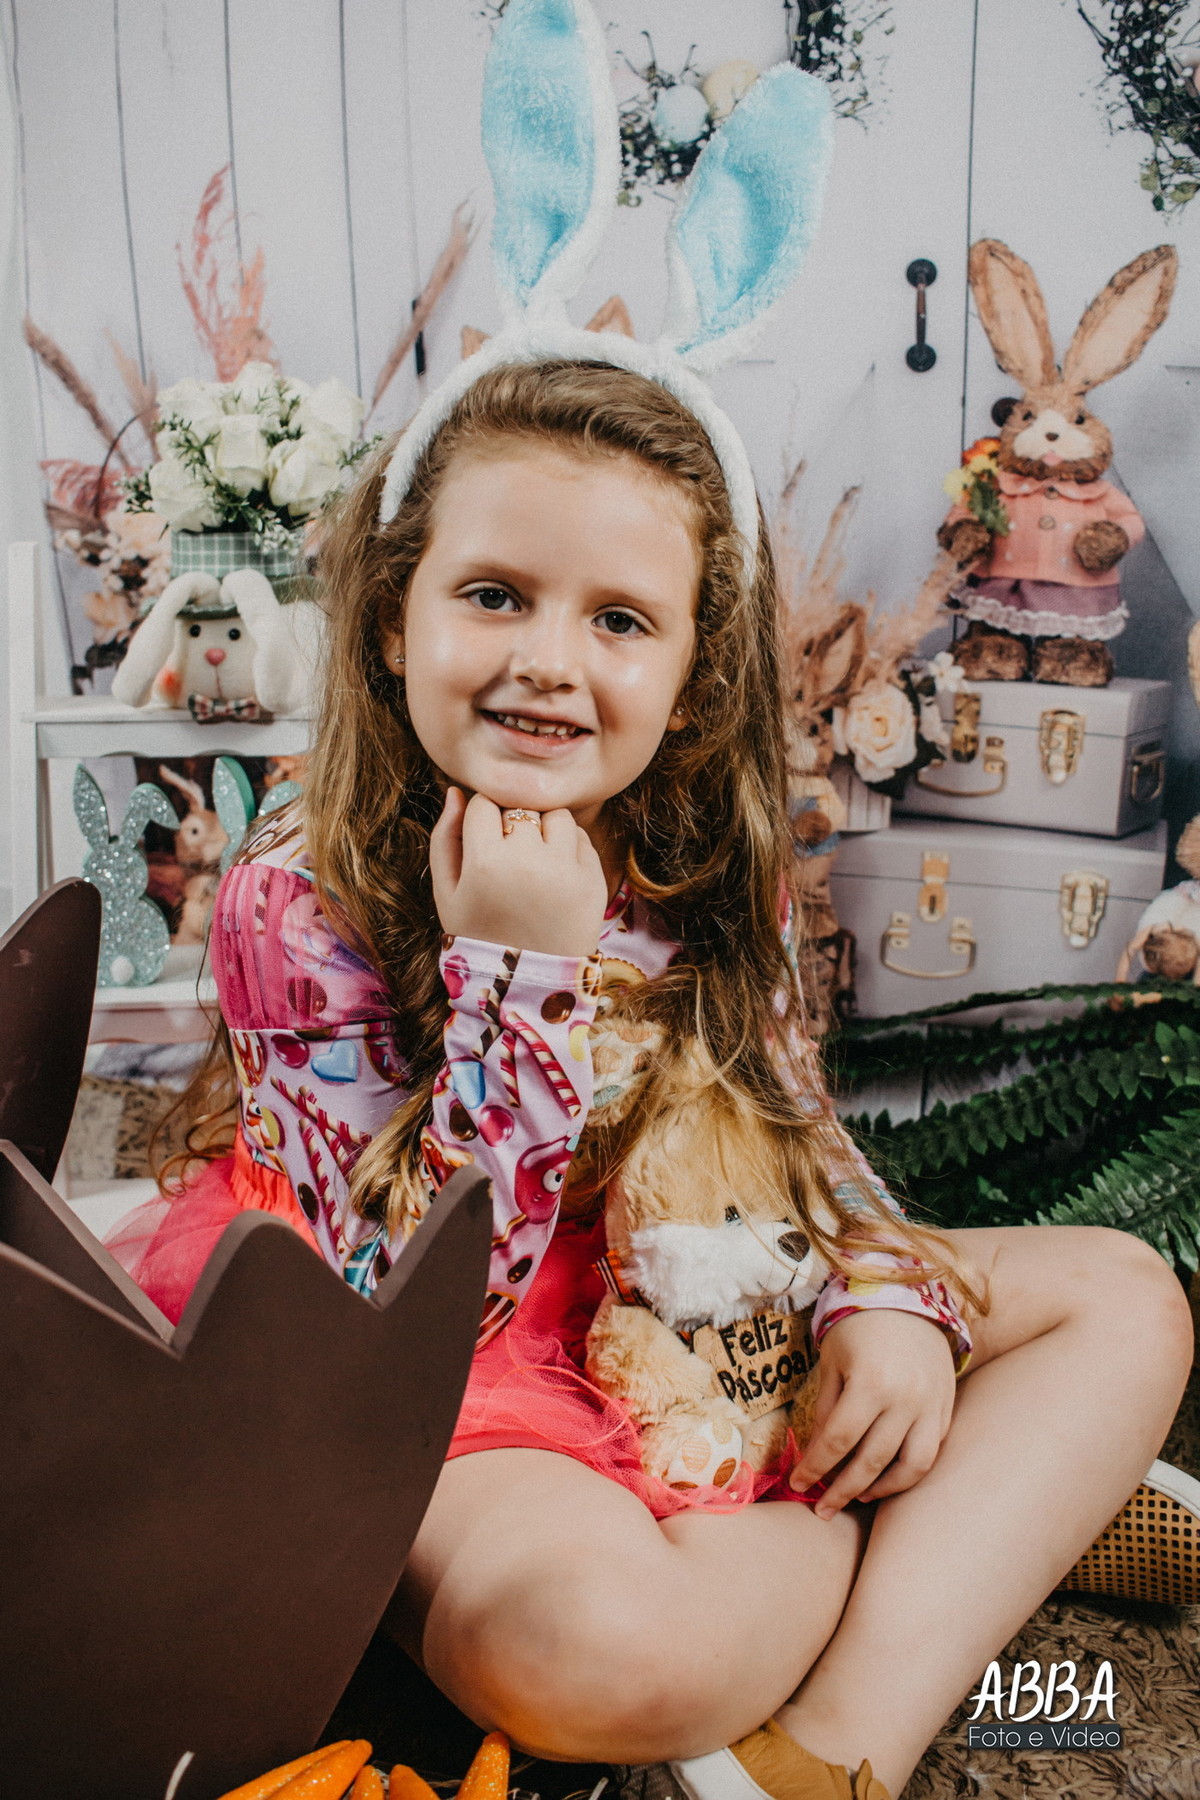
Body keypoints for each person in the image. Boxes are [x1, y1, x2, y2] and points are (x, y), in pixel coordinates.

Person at [109, 358, 1195, 1800]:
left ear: (691, 675)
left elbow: (801, 1146)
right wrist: (518, 973)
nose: (549, 660)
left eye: (619, 619)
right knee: (590, 1653)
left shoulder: (708, 863)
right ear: (391, 620)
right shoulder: (296, 890)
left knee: (1125, 1297)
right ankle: (950, 1515)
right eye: (494, 594)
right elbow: (403, 1312)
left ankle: (834, 1750)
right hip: (443, 1370)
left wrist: (883, 1300)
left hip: (702, 1287)